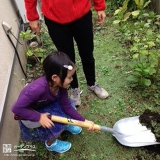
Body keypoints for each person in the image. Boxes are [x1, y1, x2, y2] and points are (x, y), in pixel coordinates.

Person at [24, 0, 109, 106]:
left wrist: (100, 6)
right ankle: (74, 88)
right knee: (66, 60)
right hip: (55, 19)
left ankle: (92, 83)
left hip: (82, 14)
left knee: (87, 53)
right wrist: (32, 17)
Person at [12, 51, 95, 153]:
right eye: (69, 77)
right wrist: (39, 117)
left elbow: (66, 106)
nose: (71, 80)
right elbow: (17, 109)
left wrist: (83, 121)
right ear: (55, 78)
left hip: (44, 104)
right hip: (29, 114)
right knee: (53, 125)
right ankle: (51, 143)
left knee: (68, 110)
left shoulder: (60, 87)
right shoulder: (36, 89)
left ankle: (67, 124)